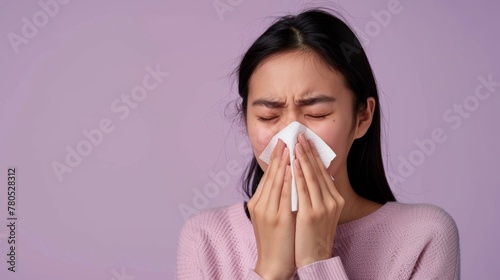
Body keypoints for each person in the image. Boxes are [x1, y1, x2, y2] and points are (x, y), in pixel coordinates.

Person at [177, 8, 460, 280]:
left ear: (362, 117)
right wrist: (271, 270)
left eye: (317, 114)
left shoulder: (423, 234)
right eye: (269, 116)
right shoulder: (207, 237)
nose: (292, 136)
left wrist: (317, 261)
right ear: (246, 121)